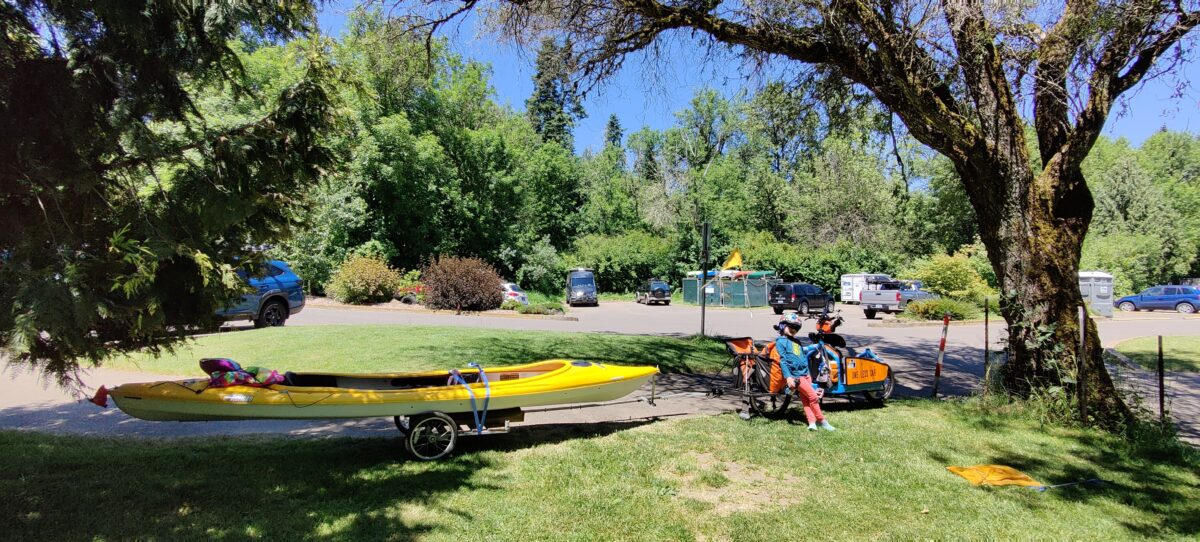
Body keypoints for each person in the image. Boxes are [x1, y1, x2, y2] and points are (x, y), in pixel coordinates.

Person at [775, 312, 836, 431]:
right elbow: (783, 361)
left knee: (806, 400)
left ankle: (812, 422)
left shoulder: (797, 342)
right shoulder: (780, 342)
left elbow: (803, 358)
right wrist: (788, 378)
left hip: (805, 374)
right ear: (783, 325)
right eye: (791, 326)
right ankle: (822, 421)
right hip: (796, 376)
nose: (793, 330)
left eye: (796, 328)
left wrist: (808, 374)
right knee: (813, 397)